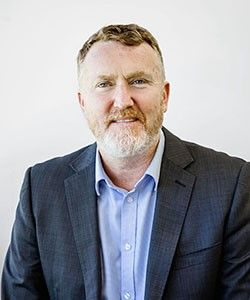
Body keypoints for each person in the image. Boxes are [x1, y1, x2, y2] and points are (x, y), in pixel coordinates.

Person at [1, 24, 250, 300]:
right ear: (83, 102)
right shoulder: (41, 189)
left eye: (139, 81)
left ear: (165, 96)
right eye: (104, 84)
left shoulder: (231, 184)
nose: (122, 101)